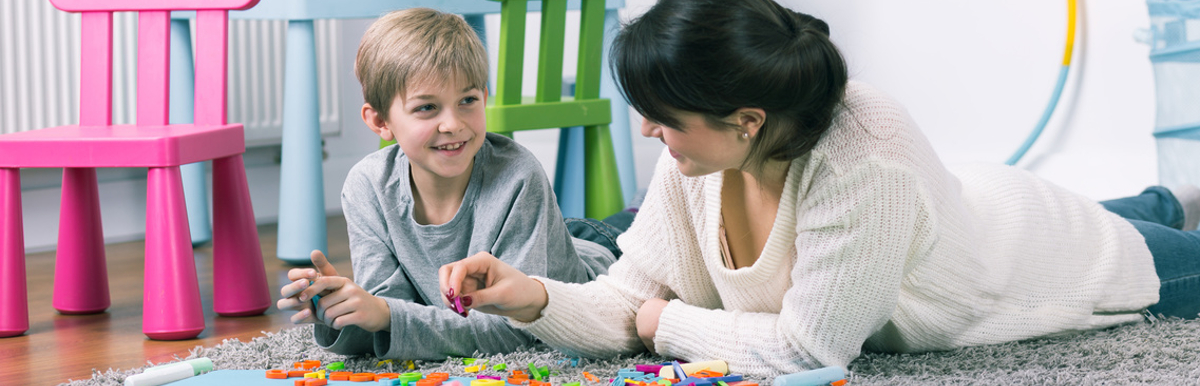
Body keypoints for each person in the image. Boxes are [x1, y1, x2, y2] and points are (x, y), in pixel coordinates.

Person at [437, 0, 1200, 377]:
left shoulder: (864, 156)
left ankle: (1157, 212)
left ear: (746, 121)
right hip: (965, 207)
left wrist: (665, 323)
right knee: (1134, 209)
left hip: (1044, 259)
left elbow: (812, 349)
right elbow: (628, 299)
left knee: (1174, 258)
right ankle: (1156, 198)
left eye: (662, 119)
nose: (647, 134)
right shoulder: (699, 156)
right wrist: (530, 296)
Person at [275, 7, 630, 360]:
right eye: (427, 108)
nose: (453, 124)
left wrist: (384, 315)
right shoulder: (367, 186)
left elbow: (518, 331)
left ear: (485, 97)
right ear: (381, 121)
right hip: (550, 236)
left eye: (467, 101)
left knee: (650, 234)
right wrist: (342, 310)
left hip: (599, 249)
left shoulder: (518, 175)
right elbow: (390, 314)